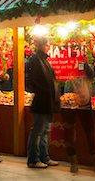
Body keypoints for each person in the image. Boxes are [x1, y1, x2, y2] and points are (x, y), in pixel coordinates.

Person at [62, 61, 95, 173]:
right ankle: (73, 162)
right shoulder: (63, 62)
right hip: (69, 101)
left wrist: (83, 64)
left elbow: (91, 75)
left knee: (89, 132)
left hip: (84, 101)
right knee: (69, 132)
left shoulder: (82, 63)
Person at [26, 37, 60, 168]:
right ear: (41, 46)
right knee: (38, 131)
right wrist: (44, 92)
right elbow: (35, 82)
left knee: (45, 130)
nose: (48, 47)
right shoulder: (35, 60)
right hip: (42, 101)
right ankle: (33, 159)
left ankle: (44, 157)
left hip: (48, 101)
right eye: (47, 45)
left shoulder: (44, 61)